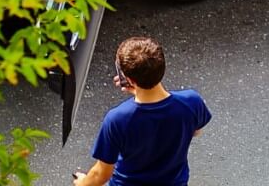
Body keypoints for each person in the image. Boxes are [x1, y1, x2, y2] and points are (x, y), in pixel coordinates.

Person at [73, 36, 211, 186]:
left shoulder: (117, 118)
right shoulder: (191, 101)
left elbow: (101, 173)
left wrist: (82, 183)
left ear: (130, 80)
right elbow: (195, 131)